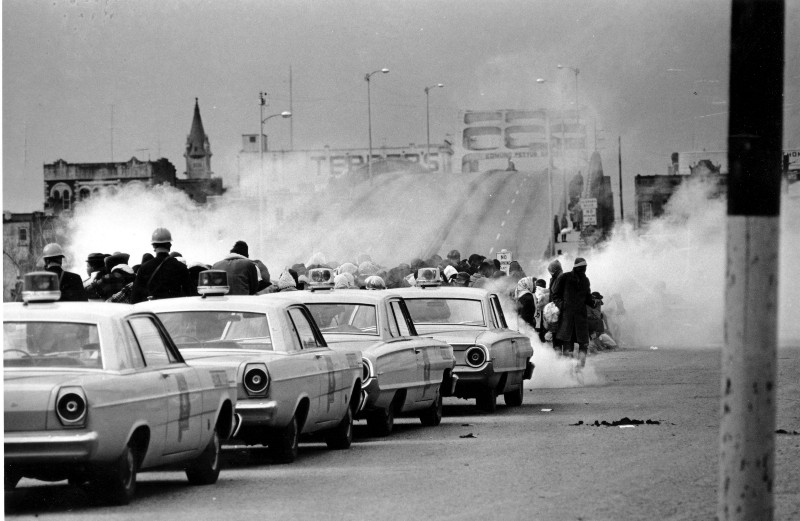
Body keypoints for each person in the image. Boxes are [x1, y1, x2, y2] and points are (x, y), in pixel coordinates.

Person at [550, 257, 596, 368]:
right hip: (567, 318)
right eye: (582, 268)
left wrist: (593, 302)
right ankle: (568, 370)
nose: (584, 270)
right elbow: (555, 294)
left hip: (581, 318)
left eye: (585, 268)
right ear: (577, 267)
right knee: (568, 344)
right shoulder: (565, 277)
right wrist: (562, 305)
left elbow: (587, 297)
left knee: (584, 344)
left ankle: (580, 368)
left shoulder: (585, 280)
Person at [131, 227, 195, 303]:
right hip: (174, 308)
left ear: (153, 246)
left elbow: (135, 298)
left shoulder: (144, 268)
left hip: (151, 308)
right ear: (169, 245)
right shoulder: (181, 267)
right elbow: (191, 294)